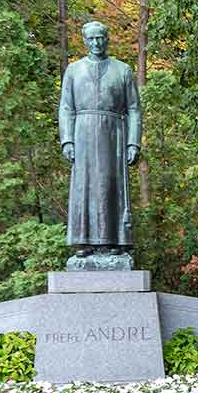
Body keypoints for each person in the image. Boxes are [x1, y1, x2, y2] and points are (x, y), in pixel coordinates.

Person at [59, 21, 141, 268]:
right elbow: (65, 107)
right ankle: (84, 241)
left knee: (110, 185)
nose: (96, 43)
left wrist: (133, 143)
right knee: (84, 186)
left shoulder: (122, 70)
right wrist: (67, 139)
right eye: (91, 39)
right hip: (82, 133)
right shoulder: (73, 70)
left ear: (107, 39)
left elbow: (134, 109)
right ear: (85, 41)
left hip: (113, 134)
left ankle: (114, 241)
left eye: (100, 38)